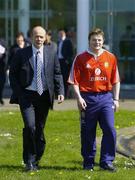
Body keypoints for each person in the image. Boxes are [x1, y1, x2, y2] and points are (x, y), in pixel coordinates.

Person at [9, 26, 64, 171]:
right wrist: (19, 93)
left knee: (39, 129)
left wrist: (60, 91)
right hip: (27, 96)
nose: (39, 39)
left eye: (41, 36)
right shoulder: (22, 53)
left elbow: (57, 73)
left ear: (45, 37)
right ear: (31, 37)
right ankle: (29, 161)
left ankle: (37, 157)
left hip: (44, 96)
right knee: (30, 127)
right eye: (36, 36)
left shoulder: (51, 52)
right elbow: (12, 74)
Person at [68, 28, 120, 172]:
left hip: (105, 98)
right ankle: (88, 162)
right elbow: (74, 81)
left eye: (99, 40)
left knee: (110, 129)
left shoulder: (111, 57)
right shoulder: (80, 58)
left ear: (103, 41)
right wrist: (78, 98)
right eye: (94, 40)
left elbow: (116, 80)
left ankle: (107, 161)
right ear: (89, 41)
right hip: (87, 98)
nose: (96, 42)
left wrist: (116, 99)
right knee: (88, 132)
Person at [57, 29, 74, 98]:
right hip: (58, 61)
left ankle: (65, 95)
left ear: (63, 34)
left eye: (60, 34)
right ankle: (59, 94)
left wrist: (68, 60)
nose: (59, 36)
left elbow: (71, 52)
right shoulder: (58, 42)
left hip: (65, 62)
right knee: (59, 77)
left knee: (65, 78)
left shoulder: (68, 41)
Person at [0, 38, 7, 105]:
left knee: (2, 83)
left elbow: (6, 53)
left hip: (2, 67)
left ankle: (0, 97)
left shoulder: (3, 42)